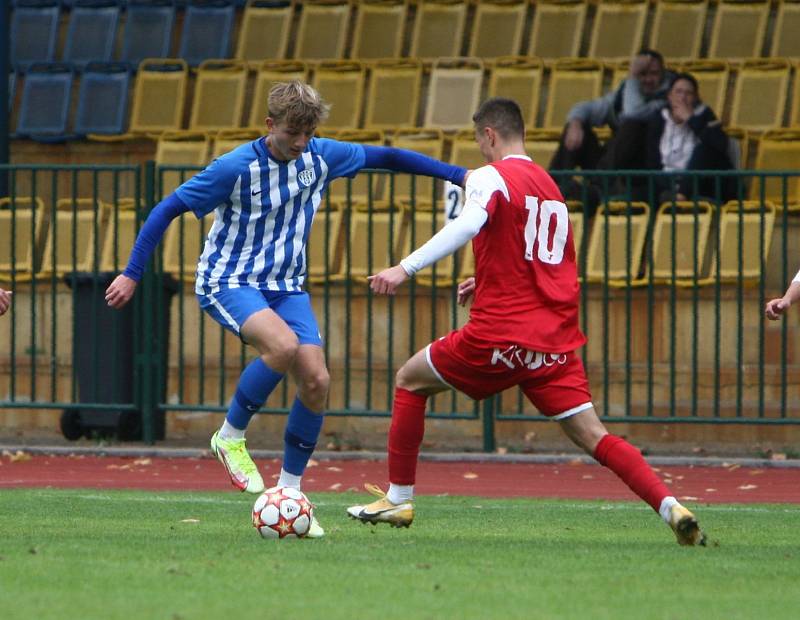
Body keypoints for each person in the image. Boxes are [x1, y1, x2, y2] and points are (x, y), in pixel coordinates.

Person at [105, 81, 467, 539]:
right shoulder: (234, 167)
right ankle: (230, 436)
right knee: (281, 346)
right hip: (229, 280)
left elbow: (390, 158)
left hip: (285, 287)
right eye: (293, 132)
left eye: (308, 133)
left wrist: (459, 175)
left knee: (316, 381)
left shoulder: (320, 155)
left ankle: (290, 494)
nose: (300, 143)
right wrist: (132, 272)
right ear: (270, 125)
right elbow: (166, 209)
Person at [346, 97, 706, 546]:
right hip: (552, 342)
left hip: (499, 335)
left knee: (409, 380)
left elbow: (467, 224)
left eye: (480, 142)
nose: (480, 152)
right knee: (594, 435)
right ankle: (671, 507)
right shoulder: (549, 185)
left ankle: (398, 499)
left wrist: (405, 267)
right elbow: (543, 257)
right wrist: (486, 276)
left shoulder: (491, 177)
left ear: (489, 136)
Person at [550, 49, 674, 174]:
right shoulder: (622, 94)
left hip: (642, 168)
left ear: (663, 74)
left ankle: (601, 183)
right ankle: (553, 186)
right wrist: (576, 124)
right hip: (612, 164)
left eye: (653, 74)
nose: (648, 79)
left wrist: (633, 76)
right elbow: (585, 108)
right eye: (642, 74)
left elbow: (633, 113)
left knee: (632, 126)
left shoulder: (671, 96)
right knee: (574, 126)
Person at [645, 72, 736, 204]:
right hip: (667, 181)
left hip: (702, 184)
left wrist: (691, 119)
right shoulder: (659, 118)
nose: (682, 98)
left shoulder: (705, 114)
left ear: (695, 97)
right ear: (669, 96)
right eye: (678, 92)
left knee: (705, 148)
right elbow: (652, 160)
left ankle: (681, 197)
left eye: (688, 93)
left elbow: (720, 145)